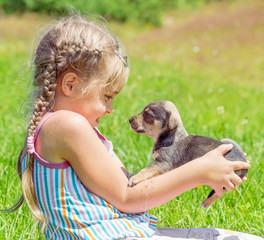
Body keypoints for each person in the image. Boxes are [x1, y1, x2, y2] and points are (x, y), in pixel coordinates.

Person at [3, 15, 262, 240]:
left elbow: (131, 187)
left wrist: (204, 171)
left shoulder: (68, 128)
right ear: (70, 85)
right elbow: (129, 199)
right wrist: (197, 172)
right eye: (107, 96)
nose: (111, 109)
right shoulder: (67, 125)